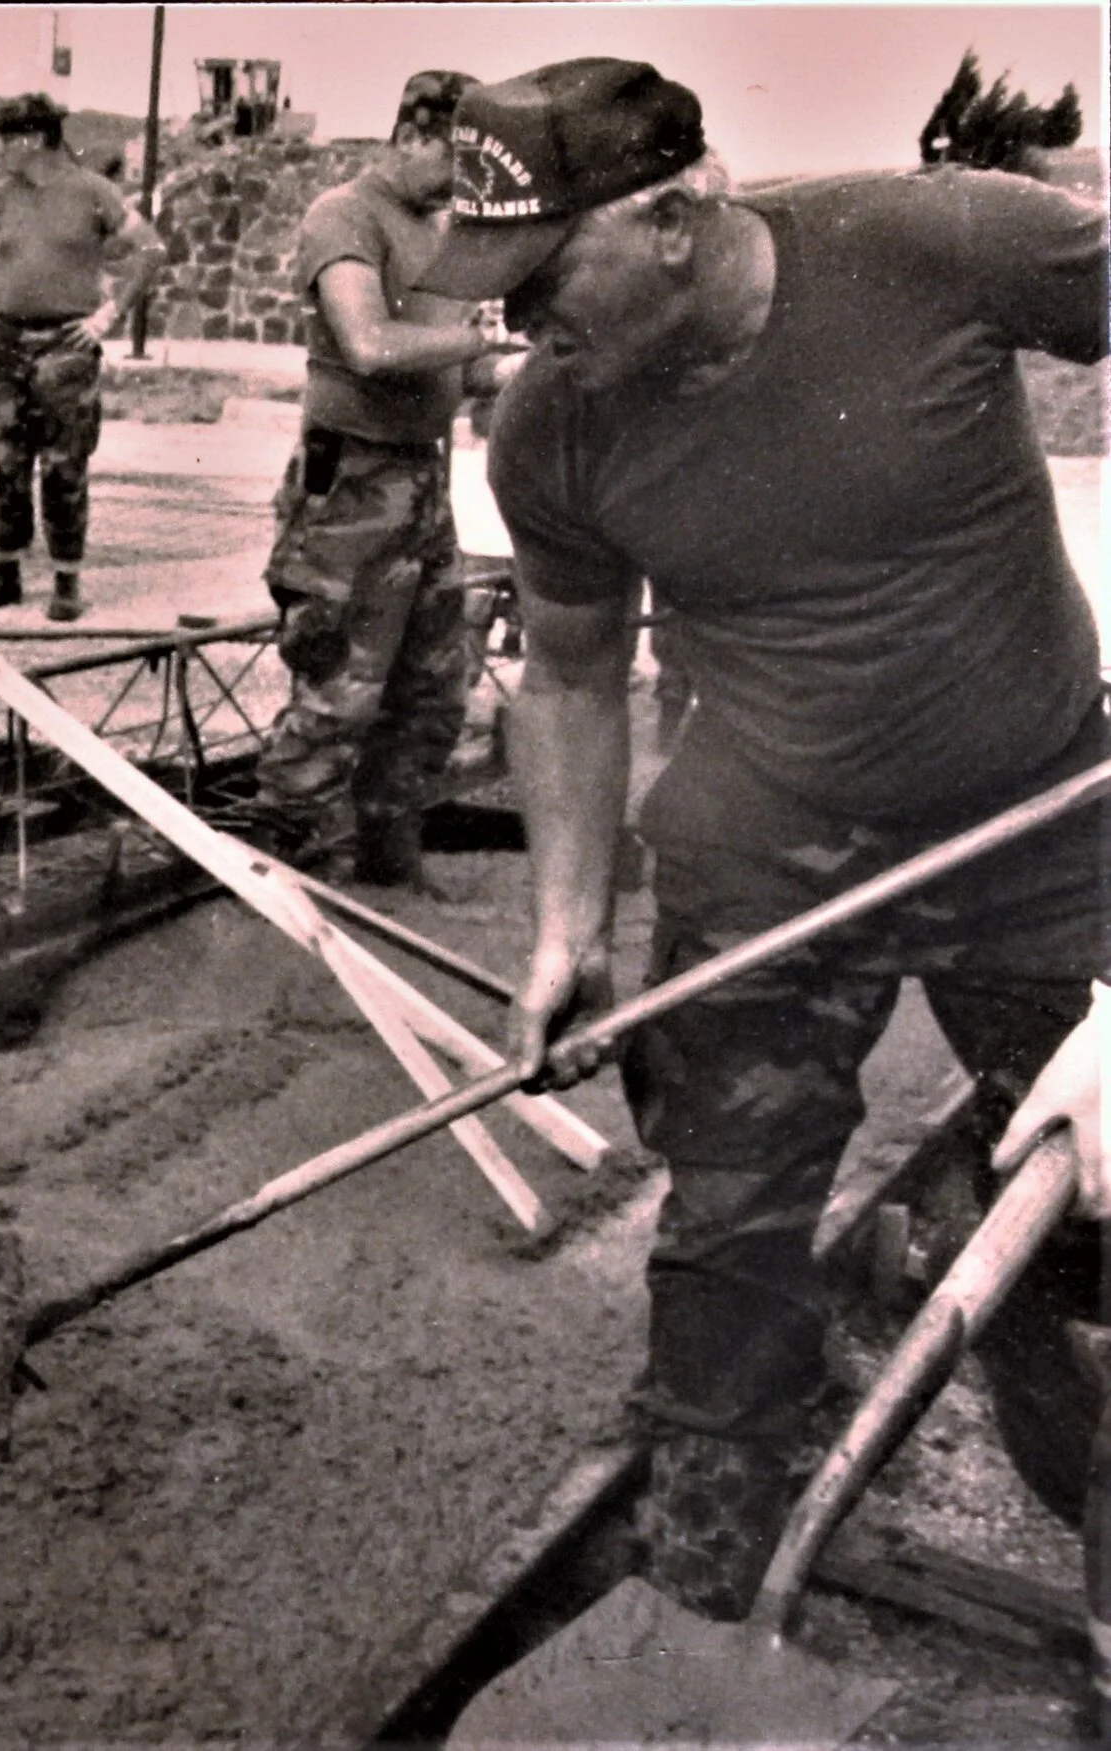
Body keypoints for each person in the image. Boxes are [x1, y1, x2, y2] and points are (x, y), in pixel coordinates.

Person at [417, 55, 1109, 1666]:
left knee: (1088, 1212)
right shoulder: (553, 428)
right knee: (726, 1245)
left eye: (540, 282)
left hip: (1042, 822)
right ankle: (702, 1613)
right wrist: (565, 924)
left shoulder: (938, 243)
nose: (514, 331)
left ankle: (1049, 1420)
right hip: (773, 847)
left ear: (673, 213)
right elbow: (577, 676)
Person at [247, 70, 526, 891]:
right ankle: (292, 881)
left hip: (420, 485)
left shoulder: (437, 229)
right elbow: (368, 344)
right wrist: (473, 345)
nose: (463, 188)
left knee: (434, 691)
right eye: (456, 164)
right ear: (411, 137)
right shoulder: (344, 215)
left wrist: (520, 368)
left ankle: (385, 865)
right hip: (350, 492)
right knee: (337, 698)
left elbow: (451, 374)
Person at [0, 92, 165, 623]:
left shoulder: (94, 192)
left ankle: (67, 581)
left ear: (34, 139)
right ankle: (6, 572)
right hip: (7, 346)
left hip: (66, 348)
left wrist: (107, 316)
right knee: (8, 461)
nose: (1, 149)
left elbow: (151, 249)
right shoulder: (1, 197)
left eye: (7, 138)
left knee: (65, 465)